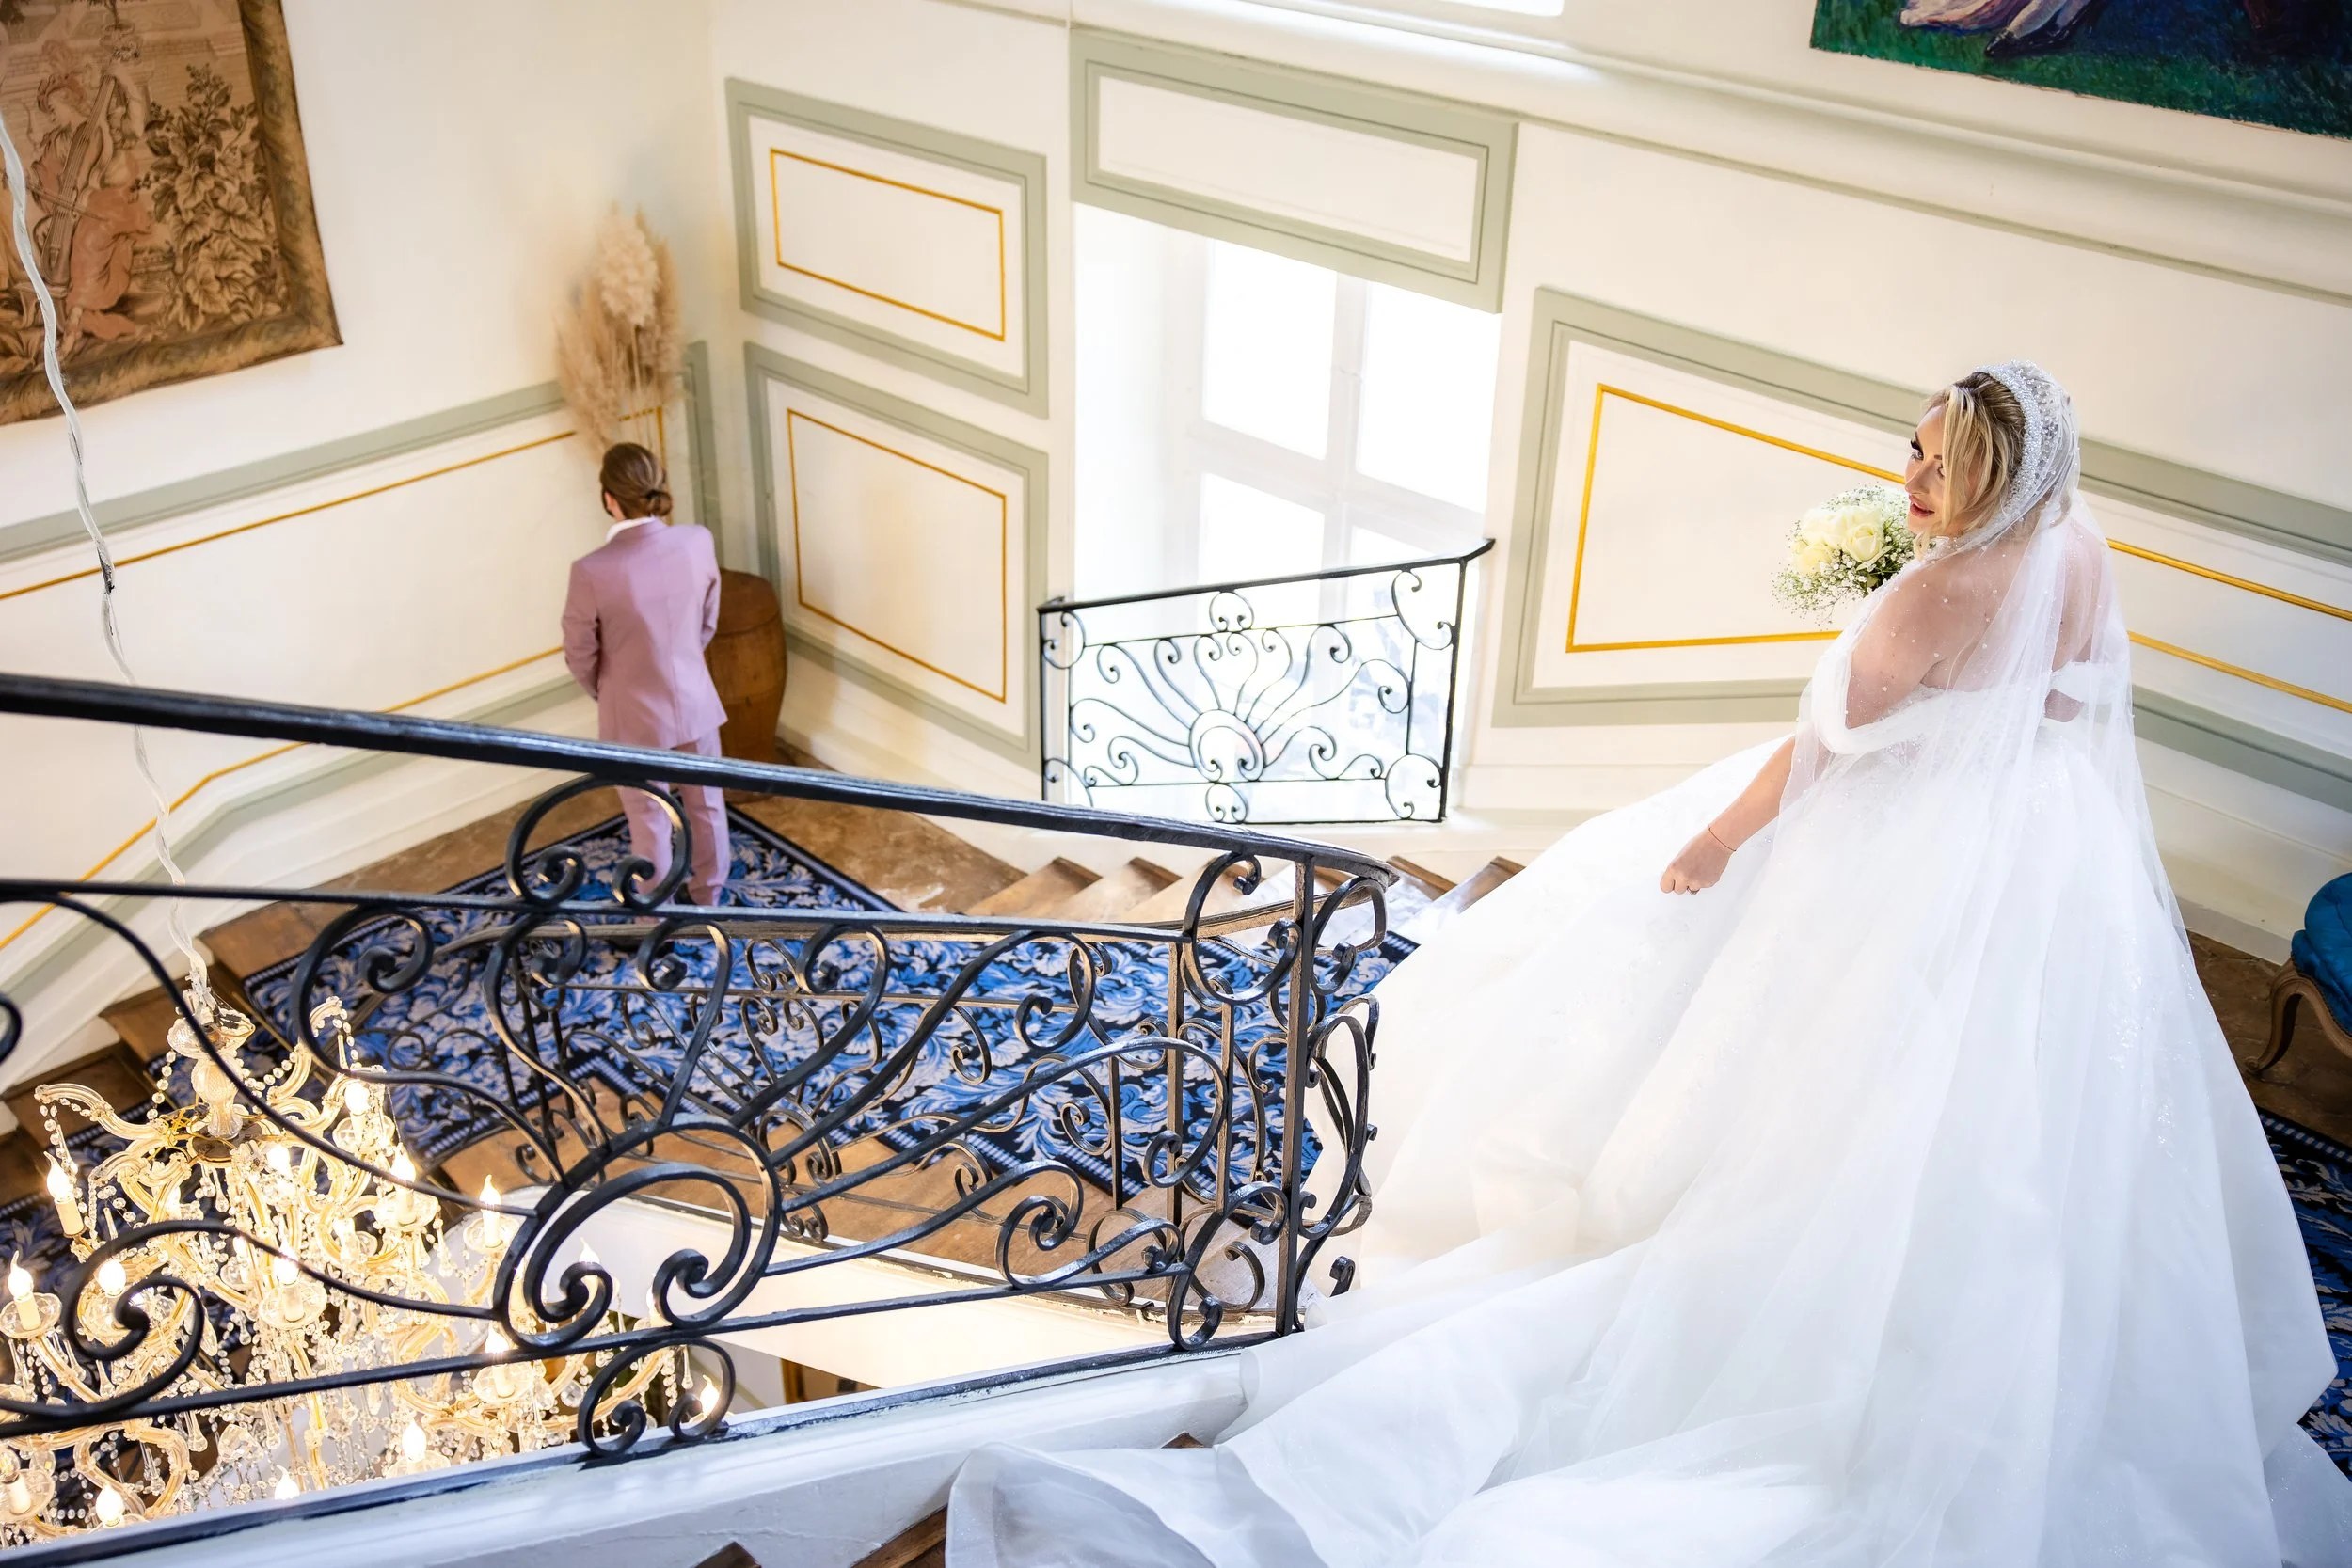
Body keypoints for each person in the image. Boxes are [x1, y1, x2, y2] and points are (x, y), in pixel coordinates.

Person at [946, 365, 2352, 1565]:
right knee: (1970, 1098)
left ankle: (1706, 1219)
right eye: (1914, 448)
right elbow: (2070, 700)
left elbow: (1824, 752)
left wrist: (1718, 841)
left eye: (1933, 459)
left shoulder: (1936, 593)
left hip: (1875, 843)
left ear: (1988, 478)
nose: (1907, 472)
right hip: (2018, 855)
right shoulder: (2083, 554)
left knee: (1751, 1030)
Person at [561, 442, 730, 906]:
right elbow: (708, 619)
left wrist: (610, 689)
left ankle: (653, 915)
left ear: (609, 498)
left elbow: (579, 652)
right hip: (694, 699)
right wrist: (683, 662)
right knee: (707, 803)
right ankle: (709, 896)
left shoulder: (591, 571)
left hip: (632, 713)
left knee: (648, 814)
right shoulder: (698, 540)